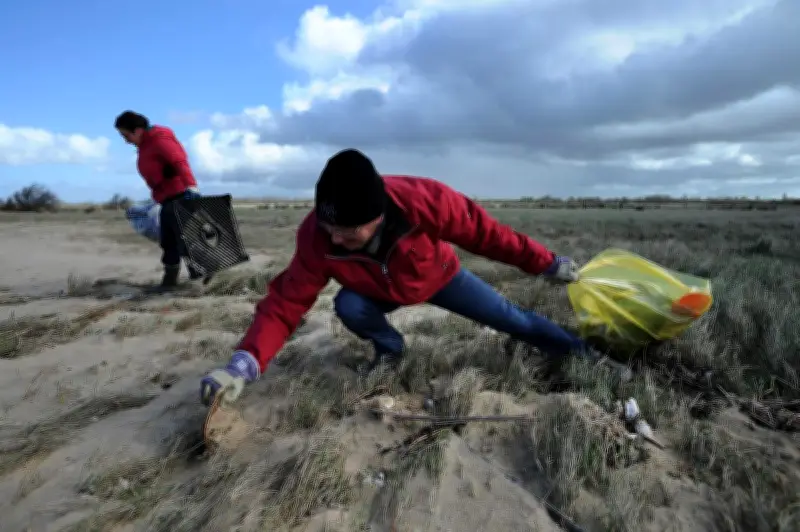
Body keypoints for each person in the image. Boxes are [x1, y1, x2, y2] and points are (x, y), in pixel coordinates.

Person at [199, 148, 632, 406]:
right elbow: (286, 301)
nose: (336, 237)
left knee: (514, 319)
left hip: (441, 278)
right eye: (330, 228)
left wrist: (546, 262)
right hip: (375, 292)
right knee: (347, 304)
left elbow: (489, 235)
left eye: (349, 231)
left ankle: (584, 355)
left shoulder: (424, 200)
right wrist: (245, 362)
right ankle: (389, 350)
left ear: (379, 214)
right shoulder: (316, 235)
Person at [114, 110, 209, 289]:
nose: (125, 140)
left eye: (126, 135)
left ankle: (204, 280)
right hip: (166, 199)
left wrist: (191, 186)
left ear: (138, 130)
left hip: (180, 196)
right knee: (169, 242)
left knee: (184, 240)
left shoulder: (159, 139)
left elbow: (179, 161)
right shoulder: (145, 145)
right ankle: (170, 281)